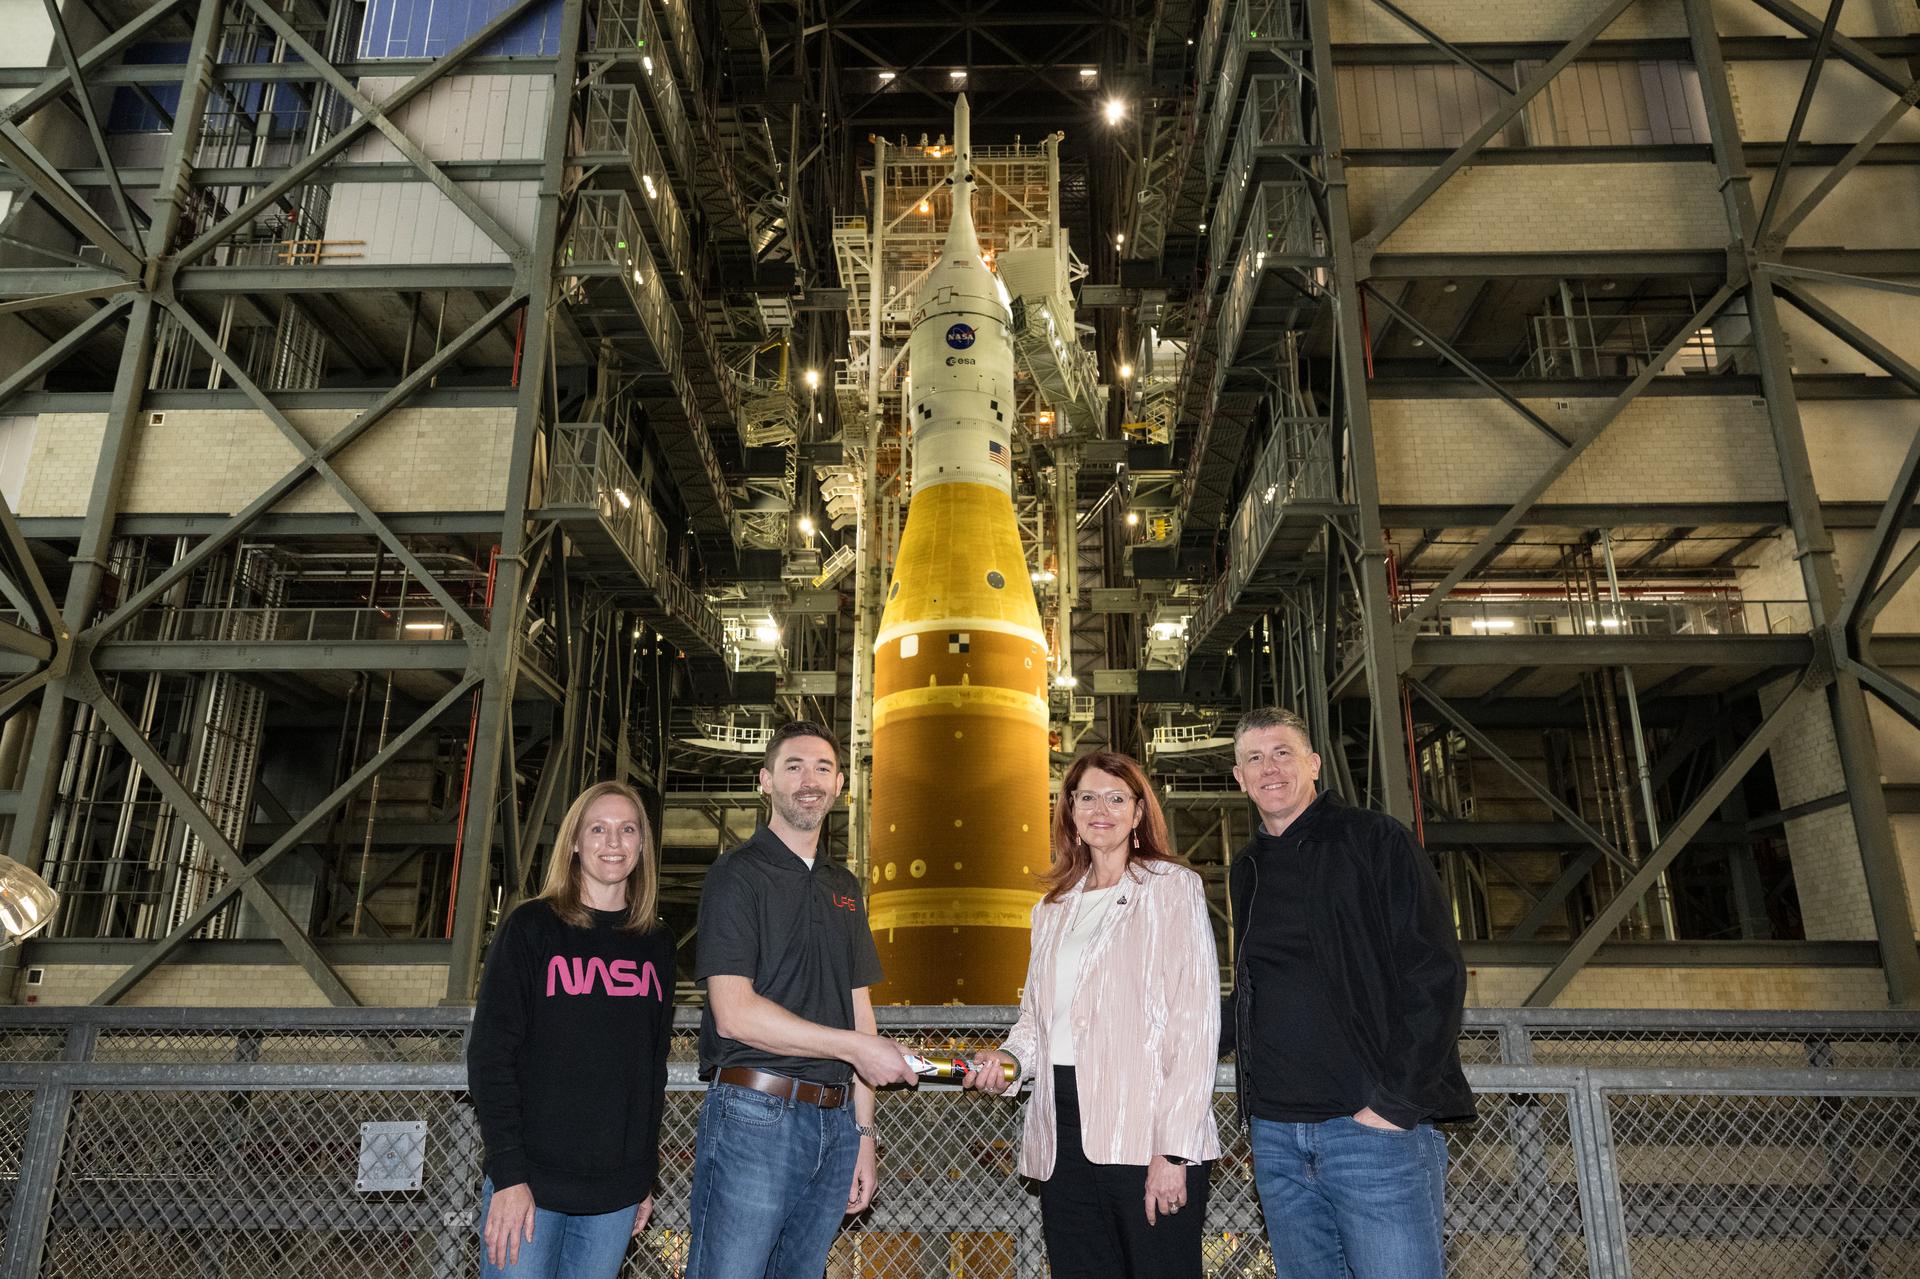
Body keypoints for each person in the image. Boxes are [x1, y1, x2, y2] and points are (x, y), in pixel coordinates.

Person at [1222, 706, 1475, 1278]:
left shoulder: (1374, 839)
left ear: (1313, 764)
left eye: (1283, 753)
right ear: (1239, 778)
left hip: (1371, 1134)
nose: (1269, 768)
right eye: (1254, 758)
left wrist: (1393, 1106)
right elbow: (1257, 995)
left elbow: (1435, 973)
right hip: (1277, 1138)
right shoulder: (1248, 868)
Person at [961, 749, 1220, 1278]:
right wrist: (1009, 1061)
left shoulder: (1172, 888)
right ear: (1070, 811)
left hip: (1146, 1129)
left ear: (1138, 812)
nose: (1101, 809)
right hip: (1062, 1131)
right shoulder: (1051, 910)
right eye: (1087, 798)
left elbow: (1195, 1027)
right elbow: (1036, 1020)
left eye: (1116, 798)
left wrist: (1173, 1152)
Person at [685, 720, 919, 1278]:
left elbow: (860, 1011)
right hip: (754, 1114)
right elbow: (734, 1014)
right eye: (793, 767)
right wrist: (853, 1049)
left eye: (821, 768)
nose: (808, 781)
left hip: (835, 1124)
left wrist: (864, 1136)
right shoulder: (736, 876)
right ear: (765, 781)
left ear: (839, 785)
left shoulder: (844, 886)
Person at [467, 780, 676, 1278]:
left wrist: (642, 1178)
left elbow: (651, 1069)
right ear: (576, 843)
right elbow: (491, 1054)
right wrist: (509, 1175)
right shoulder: (532, 927)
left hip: (614, 1195)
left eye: (628, 830)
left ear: (642, 845)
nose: (613, 842)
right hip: (530, 1184)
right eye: (598, 829)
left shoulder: (657, 943)